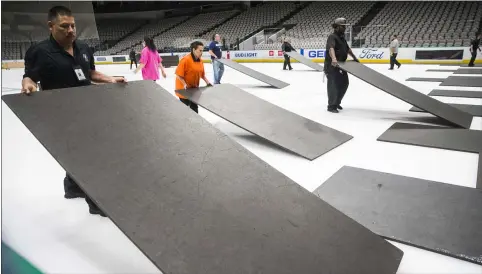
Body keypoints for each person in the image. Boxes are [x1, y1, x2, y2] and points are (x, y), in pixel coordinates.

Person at [21, 6, 127, 217]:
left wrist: (110, 79)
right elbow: (30, 76)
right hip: (60, 114)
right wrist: (29, 85)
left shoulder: (84, 48)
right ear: (51, 26)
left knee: (80, 154)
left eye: (73, 25)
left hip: (88, 109)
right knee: (86, 156)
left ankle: (72, 187)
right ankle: (96, 202)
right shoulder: (39, 52)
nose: (70, 30)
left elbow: (90, 72)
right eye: (64, 26)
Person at [323, 18, 359, 113]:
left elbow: (347, 49)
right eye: (343, 26)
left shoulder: (342, 38)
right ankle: (331, 106)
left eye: (345, 26)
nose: (344, 28)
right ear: (337, 27)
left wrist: (354, 57)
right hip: (332, 66)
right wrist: (334, 59)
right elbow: (331, 48)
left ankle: (337, 102)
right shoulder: (332, 36)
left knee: (344, 83)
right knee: (333, 85)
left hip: (342, 65)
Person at [175, 41, 212, 113]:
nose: (201, 53)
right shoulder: (185, 60)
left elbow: (202, 74)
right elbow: (178, 75)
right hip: (184, 91)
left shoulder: (200, 61)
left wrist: (208, 83)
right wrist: (185, 85)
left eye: (202, 51)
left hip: (194, 90)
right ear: (194, 50)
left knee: (194, 109)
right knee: (186, 111)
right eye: (200, 50)